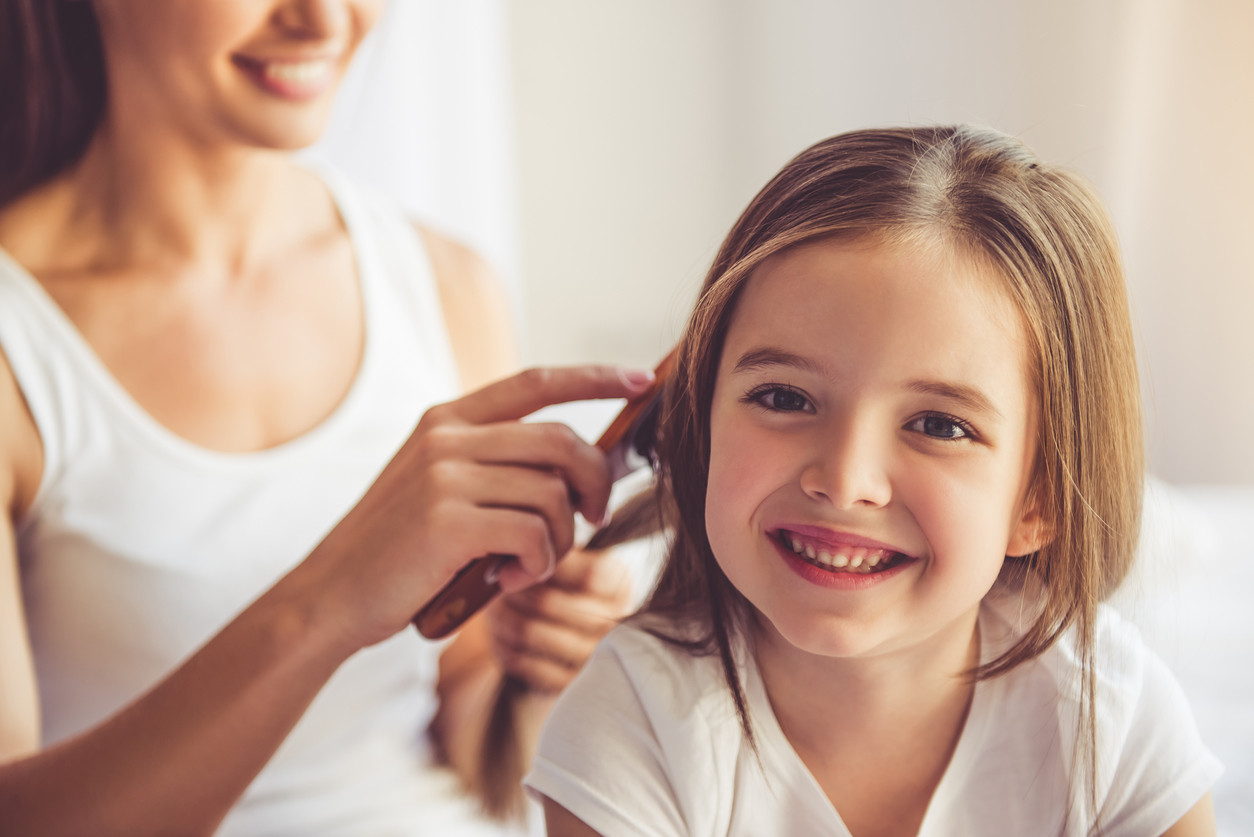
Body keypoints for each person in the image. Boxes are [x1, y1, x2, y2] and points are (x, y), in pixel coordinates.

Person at [0, 1, 645, 834]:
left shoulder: (443, 282)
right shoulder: (21, 342)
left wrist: (542, 667)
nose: (323, 20)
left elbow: (466, 726)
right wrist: (334, 596)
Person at [525, 126, 1223, 836]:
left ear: (1037, 497)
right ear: (701, 424)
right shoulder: (633, 723)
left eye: (939, 425)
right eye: (784, 398)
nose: (845, 480)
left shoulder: (1110, 717)